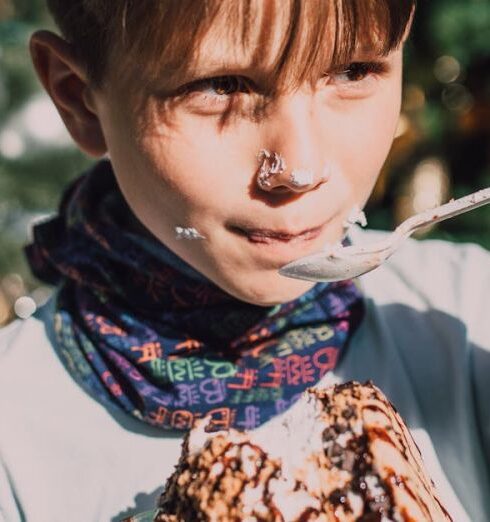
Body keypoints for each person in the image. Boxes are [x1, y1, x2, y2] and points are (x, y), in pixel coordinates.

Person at [0, 1, 489, 521]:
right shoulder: (16, 438)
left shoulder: (464, 319)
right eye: (222, 85)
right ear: (79, 99)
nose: (299, 168)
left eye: (353, 71)